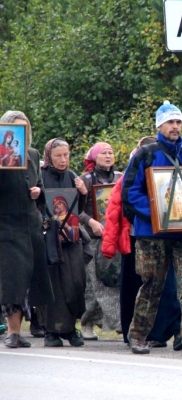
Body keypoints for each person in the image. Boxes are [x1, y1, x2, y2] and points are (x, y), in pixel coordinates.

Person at [122, 101, 182, 356]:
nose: (175, 127)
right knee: (151, 286)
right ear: (160, 125)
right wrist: (156, 214)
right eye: (170, 122)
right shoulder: (145, 154)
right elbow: (129, 192)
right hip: (152, 234)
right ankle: (138, 336)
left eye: (179, 122)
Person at [102, 136, 182, 350]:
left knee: (165, 286)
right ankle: (134, 332)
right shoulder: (131, 173)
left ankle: (164, 331)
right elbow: (114, 211)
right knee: (138, 286)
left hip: (164, 233)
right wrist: (110, 245)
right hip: (134, 236)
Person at [0, 110, 53, 348]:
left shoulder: (32, 154)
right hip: (7, 226)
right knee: (13, 280)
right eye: (16, 129)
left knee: (31, 280)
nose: (20, 134)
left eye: (25, 129)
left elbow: (41, 188)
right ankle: (12, 332)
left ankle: (20, 331)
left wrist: (38, 192)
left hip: (30, 225)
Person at [40, 138, 87, 347]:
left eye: (66, 155)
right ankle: (52, 331)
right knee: (53, 285)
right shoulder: (40, 177)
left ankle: (70, 328)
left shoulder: (73, 177)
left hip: (71, 240)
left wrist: (83, 193)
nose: (63, 160)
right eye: (58, 155)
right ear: (49, 156)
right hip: (48, 240)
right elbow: (36, 208)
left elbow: (79, 209)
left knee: (76, 283)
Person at [78, 142, 123, 340]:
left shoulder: (121, 177)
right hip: (92, 239)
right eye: (103, 153)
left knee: (112, 279)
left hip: (115, 237)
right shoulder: (84, 180)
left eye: (110, 152)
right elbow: (72, 210)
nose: (108, 156)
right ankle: (120, 323)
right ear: (94, 157)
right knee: (95, 283)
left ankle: (89, 321)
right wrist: (91, 221)